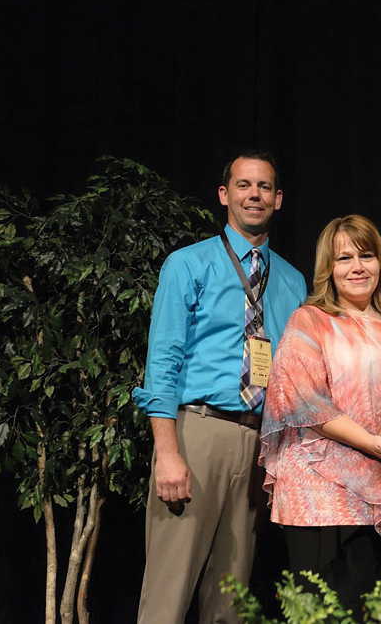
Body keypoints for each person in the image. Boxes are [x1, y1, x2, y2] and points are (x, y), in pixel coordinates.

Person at [134, 151, 307, 623]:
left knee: (231, 600)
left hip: (258, 443)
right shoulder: (187, 264)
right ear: (224, 194)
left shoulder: (293, 282)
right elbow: (163, 363)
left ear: (279, 199)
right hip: (198, 432)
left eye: (265, 187)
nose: (255, 194)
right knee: (168, 594)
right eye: (244, 185)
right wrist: (168, 452)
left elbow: (301, 376)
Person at [260, 214, 381, 616]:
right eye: (344, 259)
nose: (357, 267)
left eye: (366, 255)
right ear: (329, 269)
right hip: (324, 494)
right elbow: (302, 400)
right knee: (332, 609)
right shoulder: (310, 321)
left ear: (380, 263)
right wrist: (373, 444)